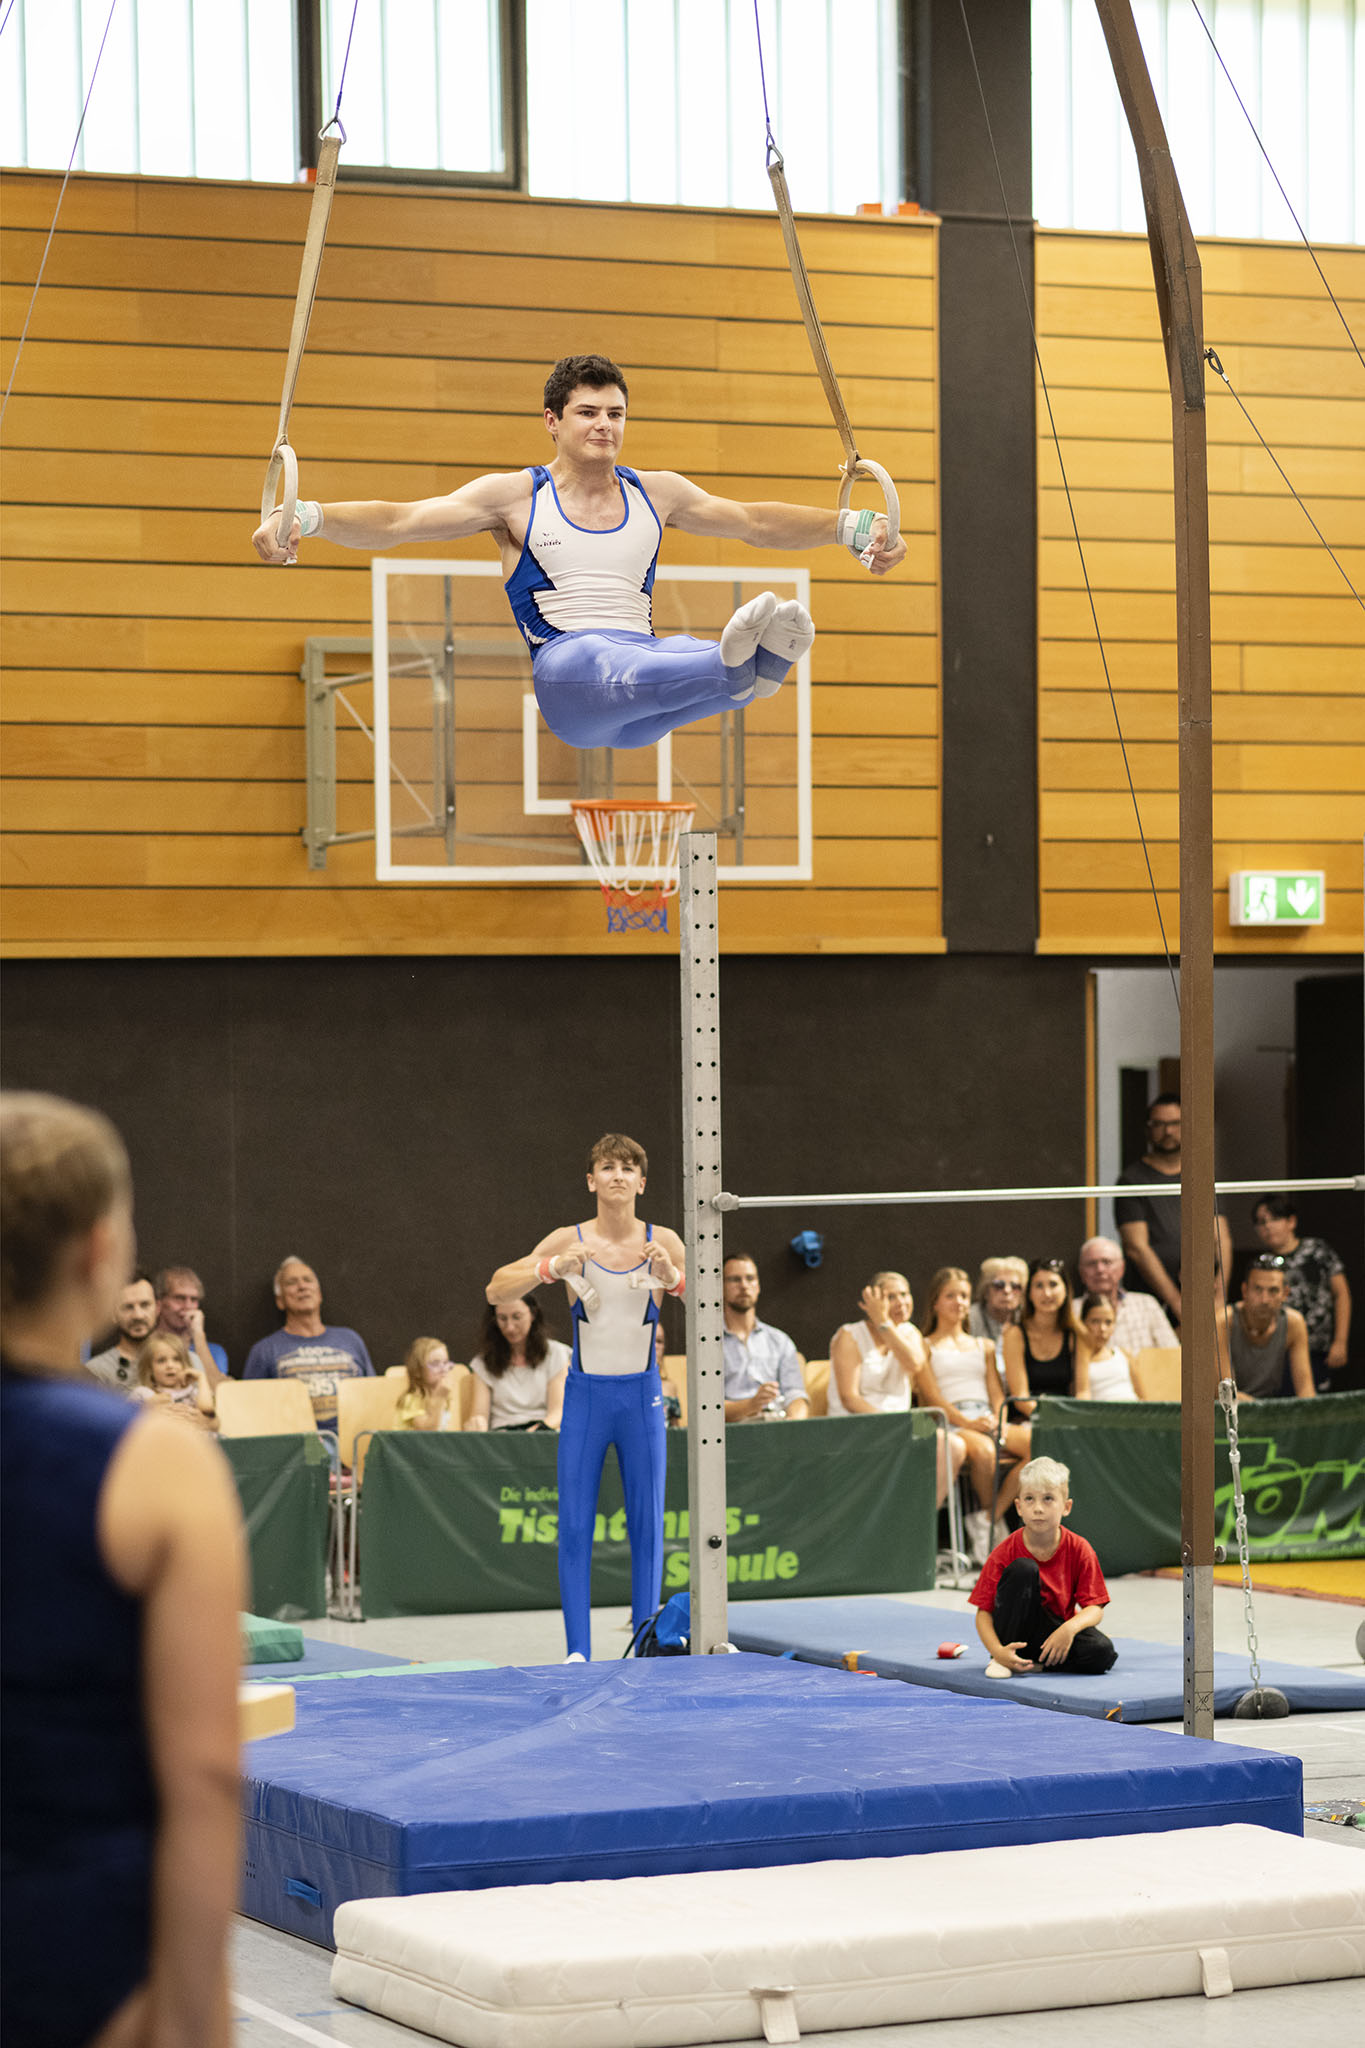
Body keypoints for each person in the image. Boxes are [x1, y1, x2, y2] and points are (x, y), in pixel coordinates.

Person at [252, 353, 906, 751]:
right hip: (569, 675)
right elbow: (399, 521)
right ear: (553, 421)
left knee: (677, 662)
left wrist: (853, 527)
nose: (604, 425)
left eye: (615, 414)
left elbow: (755, 522)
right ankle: (731, 664)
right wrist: (305, 516)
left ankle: (750, 674)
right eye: (588, 412)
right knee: (619, 659)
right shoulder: (514, 497)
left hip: (641, 678)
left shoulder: (658, 492)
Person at [1, 1092, 244, 2048]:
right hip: (76, 1950)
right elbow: (205, 1777)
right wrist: (189, 2013)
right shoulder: (159, 1463)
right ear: (101, 1251)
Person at [485, 1133, 685, 1661]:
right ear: (591, 1181)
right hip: (586, 1398)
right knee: (574, 1524)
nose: (618, 1175)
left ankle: (645, 1642)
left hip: (642, 1397)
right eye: (608, 1167)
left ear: (642, 1183)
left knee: (648, 1523)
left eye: (628, 1168)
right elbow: (496, 1290)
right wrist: (549, 1270)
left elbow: (708, 1300)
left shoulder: (663, 1240)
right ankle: (577, 1652)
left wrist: (674, 1278)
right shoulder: (567, 1239)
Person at [969, 1457, 1117, 1678]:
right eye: (1029, 1499)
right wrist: (997, 1651)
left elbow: (1095, 1608)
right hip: (1014, 1633)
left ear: (1066, 1507)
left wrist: (1069, 1629)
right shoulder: (1005, 1551)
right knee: (1023, 1568)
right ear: (1019, 1507)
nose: (1038, 1508)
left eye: (1048, 1499)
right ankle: (1006, 1659)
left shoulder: (1080, 1548)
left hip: (1054, 1632)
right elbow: (983, 1613)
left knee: (1101, 1652)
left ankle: (1039, 1664)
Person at [914, 1266, 1019, 1563]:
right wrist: (968, 1423)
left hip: (987, 1417)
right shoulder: (924, 1346)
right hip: (951, 1420)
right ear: (935, 1302)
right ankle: (989, 1532)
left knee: (1037, 1444)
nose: (958, 1302)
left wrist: (999, 1420)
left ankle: (988, 1517)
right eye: (950, 1296)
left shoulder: (983, 1346)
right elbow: (931, 1397)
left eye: (963, 1296)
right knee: (985, 1451)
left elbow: (996, 1393)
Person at [1115, 1094, 1232, 1323]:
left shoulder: (1202, 1174)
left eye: (1175, 1123)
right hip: (1152, 1303)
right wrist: (1178, 1303)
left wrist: (1220, 1296)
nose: (1168, 1131)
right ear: (1148, 1129)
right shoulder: (1131, 1180)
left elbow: (1221, 1237)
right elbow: (1136, 1248)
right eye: (1159, 1124)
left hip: (1204, 1295)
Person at [242, 1256, 374, 1426]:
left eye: (308, 1280)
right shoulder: (264, 1350)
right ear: (280, 1301)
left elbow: (374, 1396)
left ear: (319, 1294)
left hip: (355, 1436)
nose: (302, 1286)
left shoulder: (351, 1340)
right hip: (296, 1440)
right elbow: (250, 1413)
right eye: (291, 1283)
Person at [1251, 1195, 1351, 1393]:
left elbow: (1342, 1294)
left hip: (1317, 1348)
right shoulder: (1262, 1264)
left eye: (1274, 1219)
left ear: (1291, 1221)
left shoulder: (1317, 1250)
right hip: (1278, 1353)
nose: (1268, 1226)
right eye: (1261, 1222)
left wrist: (1340, 1341)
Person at [722, 1253, 809, 1422]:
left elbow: (796, 1394)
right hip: (731, 1431)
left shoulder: (780, 1341)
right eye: (735, 1279)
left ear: (758, 1286)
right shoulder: (708, 1343)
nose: (744, 1286)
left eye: (750, 1278)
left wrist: (794, 1422)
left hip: (777, 1426)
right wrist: (751, 1404)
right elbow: (707, 1409)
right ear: (720, 1287)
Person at [467, 1299, 570, 1432]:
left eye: (517, 1317)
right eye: (502, 1318)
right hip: (502, 1435)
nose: (510, 1327)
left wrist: (533, 1433)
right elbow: (479, 1414)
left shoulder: (556, 1354)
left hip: (542, 1432)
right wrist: (477, 1423)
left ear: (532, 1314)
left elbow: (558, 1411)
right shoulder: (483, 1362)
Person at [1222, 1255, 1315, 1402]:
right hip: (1228, 1411)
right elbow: (1226, 1394)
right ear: (1245, 1291)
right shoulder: (1223, 1322)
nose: (1264, 1300)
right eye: (1257, 1289)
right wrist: (1266, 1411)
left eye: (1273, 1291)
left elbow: (1306, 1391)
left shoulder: (1294, 1323)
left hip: (1269, 1408)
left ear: (1285, 1294)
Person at [1073, 1235, 1177, 1356]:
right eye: (1092, 1264)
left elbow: (1173, 1354)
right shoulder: (1071, 1311)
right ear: (1081, 1272)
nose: (1100, 1269)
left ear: (1122, 1268)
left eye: (1107, 1262)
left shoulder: (1147, 1304)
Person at [86, 1267, 157, 1392]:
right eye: (128, 1307)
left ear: (158, 1308)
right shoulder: (96, 1371)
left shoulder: (183, 1359)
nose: (138, 1315)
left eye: (145, 1305)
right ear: (113, 1314)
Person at [154, 1264, 229, 1382]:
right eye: (179, 1298)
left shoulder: (215, 1352)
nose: (188, 1306)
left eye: (193, 1300)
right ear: (160, 1303)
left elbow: (216, 1389)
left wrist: (198, 1335)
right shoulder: (147, 1346)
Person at [131, 1330, 218, 1428]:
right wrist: (150, 1405)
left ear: (185, 1364)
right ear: (150, 1369)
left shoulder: (193, 1393)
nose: (170, 1365)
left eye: (176, 1359)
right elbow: (128, 1420)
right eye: (161, 1361)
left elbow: (207, 1408)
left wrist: (201, 1378)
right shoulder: (143, 1393)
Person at [1072, 1294, 1139, 1402]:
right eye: (1095, 1321)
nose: (1102, 1329)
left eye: (1108, 1322)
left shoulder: (1123, 1354)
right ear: (1083, 1323)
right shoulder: (1077, 1359)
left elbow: (1143, 1397)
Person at [395, 1336, 462, 1431]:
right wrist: (440, 1398)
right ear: (418, 1370)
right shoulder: (411, 1400)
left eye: (445, 1363)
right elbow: (428, 1433)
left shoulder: (448, 1397)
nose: (443, 1369)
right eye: (435, 1363)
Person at [967, 1256, 1026, 1356]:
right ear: (985, 1291)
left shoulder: (1027, 1318)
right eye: (999, 1285)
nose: (1007, 1291)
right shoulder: (970, 1318)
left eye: (1015, 1286)